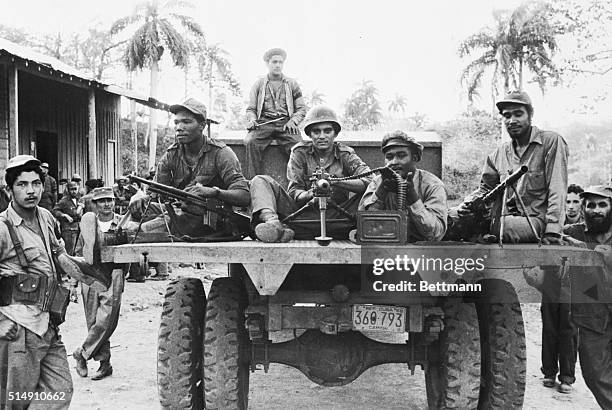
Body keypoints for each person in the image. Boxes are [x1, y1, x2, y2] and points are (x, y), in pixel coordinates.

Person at [0, 155, 75, 409]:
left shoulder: (46, 217)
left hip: (48, 323)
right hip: (18, 328)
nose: (30, 190)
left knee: (60, 391)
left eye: (36, 183)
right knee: (15, 402)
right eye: (22, 184)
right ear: (9, 189)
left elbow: (60, 257)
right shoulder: (2, 227)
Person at [448, 90, 569, 244]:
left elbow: (557, 188)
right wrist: (467, 204)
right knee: (449, 218)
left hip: (535, 221)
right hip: (499, 217)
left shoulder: (550, 142)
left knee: (503, 228)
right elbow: (486, 189)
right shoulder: (499, 154)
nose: (512, 120)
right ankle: (480, 233)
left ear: (530, 115)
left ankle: (482, 233)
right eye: (507, 116)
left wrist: (553, 230)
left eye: (518, 114)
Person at [129, 97, 250, 239]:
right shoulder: (171, 155)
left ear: (202, 125)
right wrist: (142, 200)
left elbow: (244, 196)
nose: (179, 127)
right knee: (140, 209)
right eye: (177, 122)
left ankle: (135, 233)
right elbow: (157, 196)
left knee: (163, 222)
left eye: (186, 122)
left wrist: (214, 192)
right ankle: (132, 235)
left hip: (211, 217)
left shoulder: (221, 153)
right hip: (179, 210)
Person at [250, 105, 371, 242]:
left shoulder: (346, 154)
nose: (322, 136)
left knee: (379, 186)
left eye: (327, 131)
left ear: (335, 134)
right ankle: (273, 224)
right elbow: (294, 192)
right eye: (316, 131)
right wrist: (310, 194)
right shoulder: (299, 152)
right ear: (309, 134)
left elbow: (369, 180)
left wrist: (337, 182)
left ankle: (365, 228)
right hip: (302, 217)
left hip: (338, 217)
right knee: (260, 180)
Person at [72, 187, 132, 381]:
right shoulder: (88, 224)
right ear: (95, 204)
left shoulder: (123, 223)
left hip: (113, 274)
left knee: (106, 320)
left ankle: (82, 353)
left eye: (110, 200)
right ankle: (104, 364)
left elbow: (130, 252)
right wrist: (74, 283)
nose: (107, 204)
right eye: (102, 201)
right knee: (93, 321)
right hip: (89, 276)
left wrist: (123, 276)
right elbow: (79, 254)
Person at [561, 185, 612, 408]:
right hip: (593, 315)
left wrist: (586, 251)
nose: (596, 210)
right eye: (591, 205)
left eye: (603, 205)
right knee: (595, 374)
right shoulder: (572, 233)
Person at [358, 130, 447, 241]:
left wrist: (413, 198)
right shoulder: (377, 182)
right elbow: (363, 227)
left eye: (401, 156)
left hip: (421, 250)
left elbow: (436, 234)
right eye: (389, 157)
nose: (394, 162)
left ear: (414, 158)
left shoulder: (432, 185)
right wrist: (381, 192)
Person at [244, 48, 307, 179]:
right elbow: (251, 109)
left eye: (280, 62)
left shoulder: (292, 84)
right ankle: (253, 183)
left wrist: (293, 121)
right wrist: (252, 120)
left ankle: (299, 185)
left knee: (298, 147)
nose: (278, 65)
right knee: (250, 142)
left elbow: (301, 109)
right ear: (267, 63)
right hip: (264, 123)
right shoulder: (259, 84)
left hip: (286, 123)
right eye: (274, 62)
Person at [53, 181, 84, 255]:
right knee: (69, 251)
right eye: (72, 189)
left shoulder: (80, 199)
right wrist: (64, 215)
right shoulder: (64, 201)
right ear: (68, 190)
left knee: (78, 251)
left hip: (78, 228)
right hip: (68, 230)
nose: (74, 191)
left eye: (75, 189)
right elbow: (55, 211)